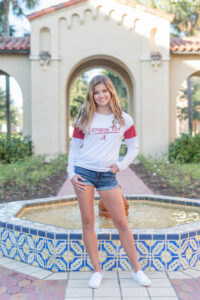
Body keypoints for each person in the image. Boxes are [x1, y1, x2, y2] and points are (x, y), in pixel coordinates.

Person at [67, 74, 151, 289]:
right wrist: (71, 173)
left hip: (107, 175)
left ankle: (137, 270)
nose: (101, 95)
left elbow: (134, 147)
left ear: (111, 91)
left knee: (122, 223)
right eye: (96, 92)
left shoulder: (124, 118)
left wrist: (121, 166)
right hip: (83, 172)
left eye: (104, 91)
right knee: (88, 222)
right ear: (91, 95)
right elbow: (74, 149)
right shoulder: (84, 117)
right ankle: (97, 270)